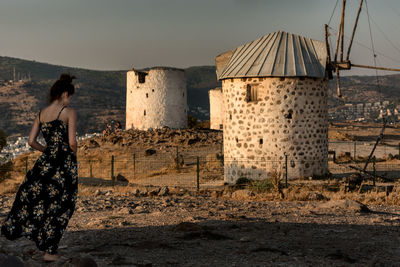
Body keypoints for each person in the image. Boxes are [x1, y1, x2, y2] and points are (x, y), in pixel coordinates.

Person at [1, 74, 78, 262]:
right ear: (65, 94)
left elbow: (30, 141)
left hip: (45, 163)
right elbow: (72, 142)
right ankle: (50, 251)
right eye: (70, 97)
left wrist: (47, 151)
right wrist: (71, 155)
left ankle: (42, 243)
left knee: (39, 200)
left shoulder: (40, 114)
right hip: (64, 164)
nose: (70, 101)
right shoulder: (68, 113)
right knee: (62, 205)